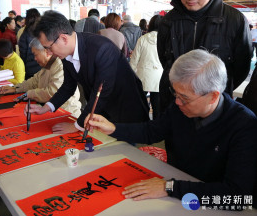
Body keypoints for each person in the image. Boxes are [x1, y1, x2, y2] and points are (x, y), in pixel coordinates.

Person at [86, 49, 257, 208]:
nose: (177, 102)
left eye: (184, 98)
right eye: (175, 93)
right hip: (176, 191)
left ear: (213, 96)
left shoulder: (244, 125)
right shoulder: (180, 108)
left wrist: (170, 187)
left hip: (206, 203)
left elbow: (238, 196)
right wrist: (113, 128)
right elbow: (152, 131)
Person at [29, 10, 149, 135]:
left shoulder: (101, 49)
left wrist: (77, 125)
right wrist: (46, 108)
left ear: (63, 38)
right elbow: (68, 86)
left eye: (48, 47)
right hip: (102, 113)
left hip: (124, 111)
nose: (49, 53)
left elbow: (101, 93)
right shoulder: (66, 54)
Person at [157, 0, 253, 112]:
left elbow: (241, 67)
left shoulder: (235, 20)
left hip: (213, 105)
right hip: (174, 101)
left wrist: (215, 89)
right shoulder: (168, 21)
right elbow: (164, 59)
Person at [1, 38, 81, 119]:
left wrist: (30, 94)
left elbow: (52, 92)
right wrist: (15, 89)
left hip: (68, 113)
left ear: (46, 52)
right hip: (51, 111)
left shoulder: (60, 66)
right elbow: (33, 81)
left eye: (35, 54)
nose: (34, 59)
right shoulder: (47, 65)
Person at [130, 15, 163, 119]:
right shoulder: (164, 40)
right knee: (157, 107)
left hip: (142, 76)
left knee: (142, 106)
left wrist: (131, 75)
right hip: (159, 77)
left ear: (150, 25)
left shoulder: (142, 39)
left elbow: (134, 59)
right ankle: (157, 130)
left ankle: (142, 127)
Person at [19, 8, 41, 80]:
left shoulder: (25, 34)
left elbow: (23, 55)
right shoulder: (44, 31)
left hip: (30, 69)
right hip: (43, 67)